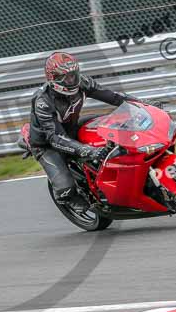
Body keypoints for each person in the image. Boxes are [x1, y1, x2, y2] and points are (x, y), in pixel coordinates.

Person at [28, 51, 161, 212]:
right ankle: (67, 197)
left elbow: (113, 97)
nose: (72, 80)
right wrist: (88, 150)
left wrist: (143, 104)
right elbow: (55, 137)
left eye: (74, 75)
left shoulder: (82, 82)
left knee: (113, 125)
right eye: (66, 77)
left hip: (72, 127)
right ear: (53, 78)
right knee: (66, 187)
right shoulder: (43, 101)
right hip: (47, 143)